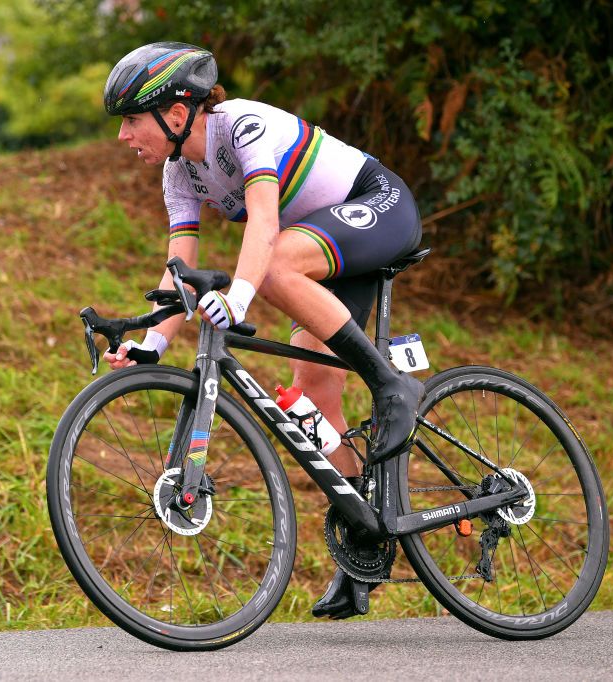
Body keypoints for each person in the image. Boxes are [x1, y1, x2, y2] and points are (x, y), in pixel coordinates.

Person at [100, 42, 424, 619]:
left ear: (176, 114)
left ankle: (394, 385)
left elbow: (267, 226)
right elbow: (179, 274)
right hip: (325, 247)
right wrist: (152, 341)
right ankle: (364, 547)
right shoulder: (180, 171)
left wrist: (241, 295)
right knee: (317, 397)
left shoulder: (243, 126)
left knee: (273, 266)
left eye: (130, 120)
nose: (124, 137)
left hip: (377, 205)